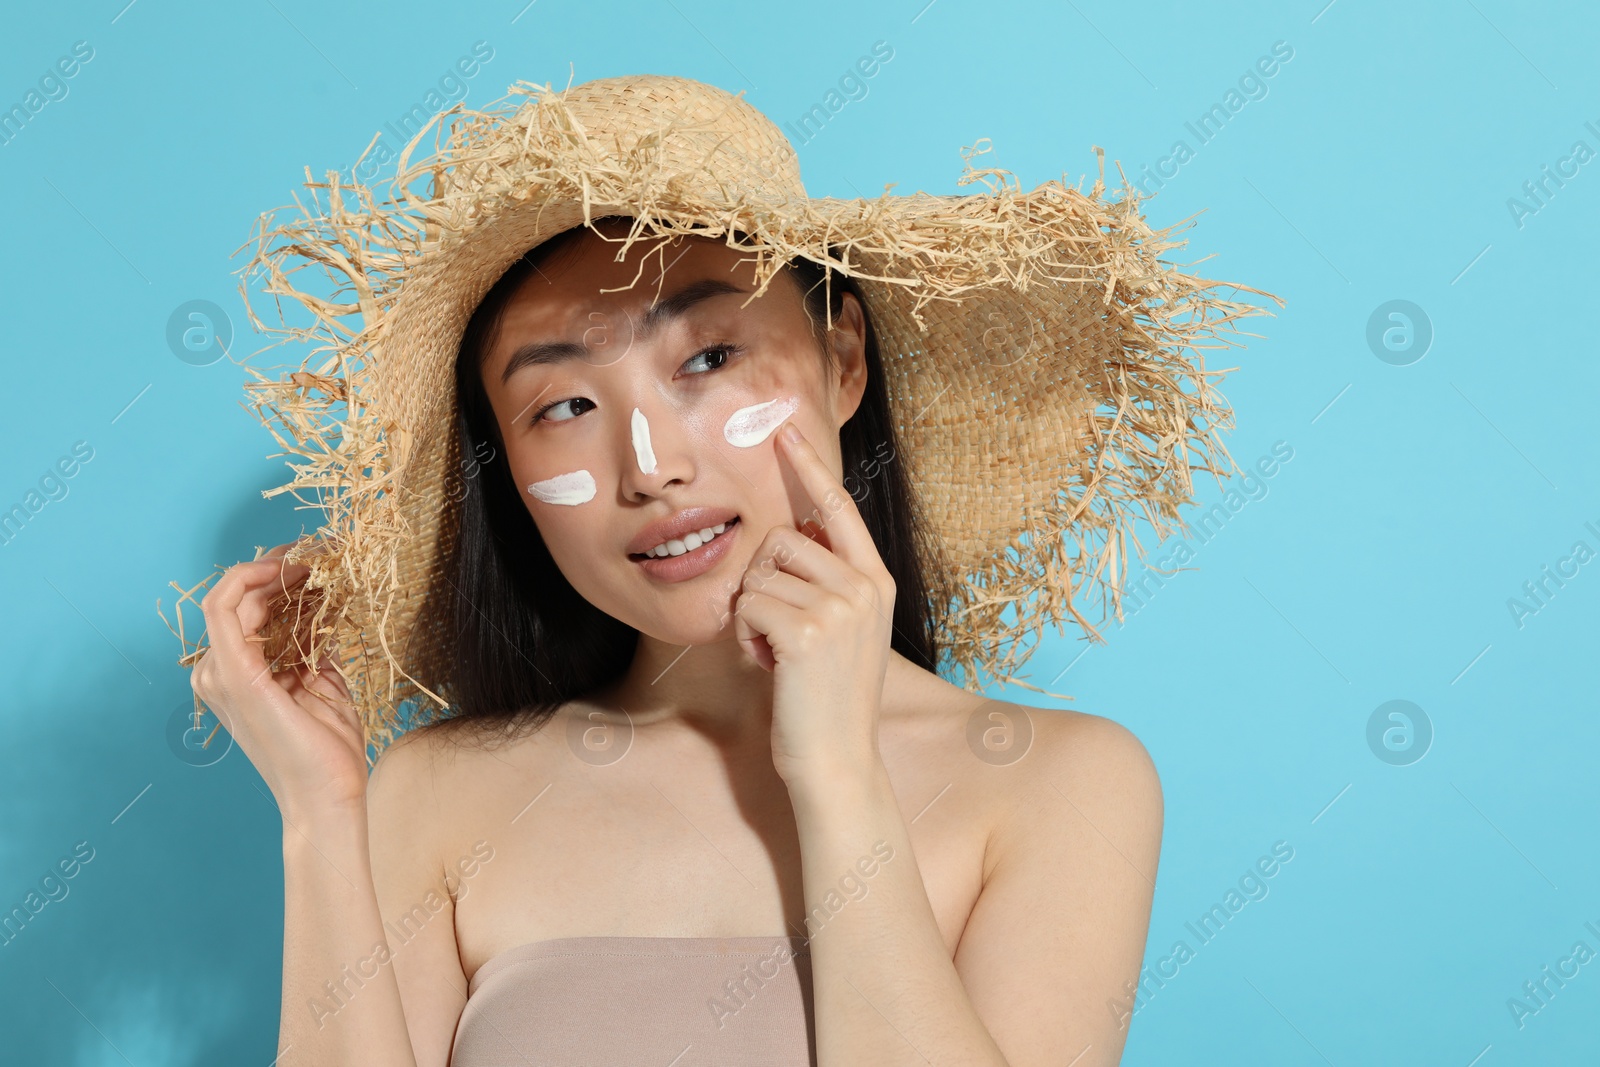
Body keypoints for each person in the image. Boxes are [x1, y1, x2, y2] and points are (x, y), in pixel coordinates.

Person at [180, 74, 1273, 1066]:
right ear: (503, 467)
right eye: (564, 405)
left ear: (843, 359)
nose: (650, 467)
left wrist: (837, 774)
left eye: (706, 358)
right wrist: (320, 816)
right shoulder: (437, 792)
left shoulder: (1058, 784)